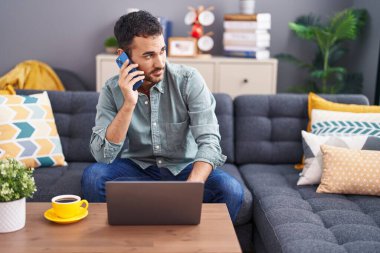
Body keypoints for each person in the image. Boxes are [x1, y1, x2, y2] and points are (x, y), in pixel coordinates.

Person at [81, 10, 243, 223]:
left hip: (184, 168)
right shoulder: (112, 90)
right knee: (93, 177)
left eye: (162, 51)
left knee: (231, 190)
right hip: (138, 168)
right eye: (148, 55)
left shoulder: (188, 80)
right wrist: (129, 103)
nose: (160, 63)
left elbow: (210, 142)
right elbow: (102, 156)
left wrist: (191, 189)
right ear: (123, 57)